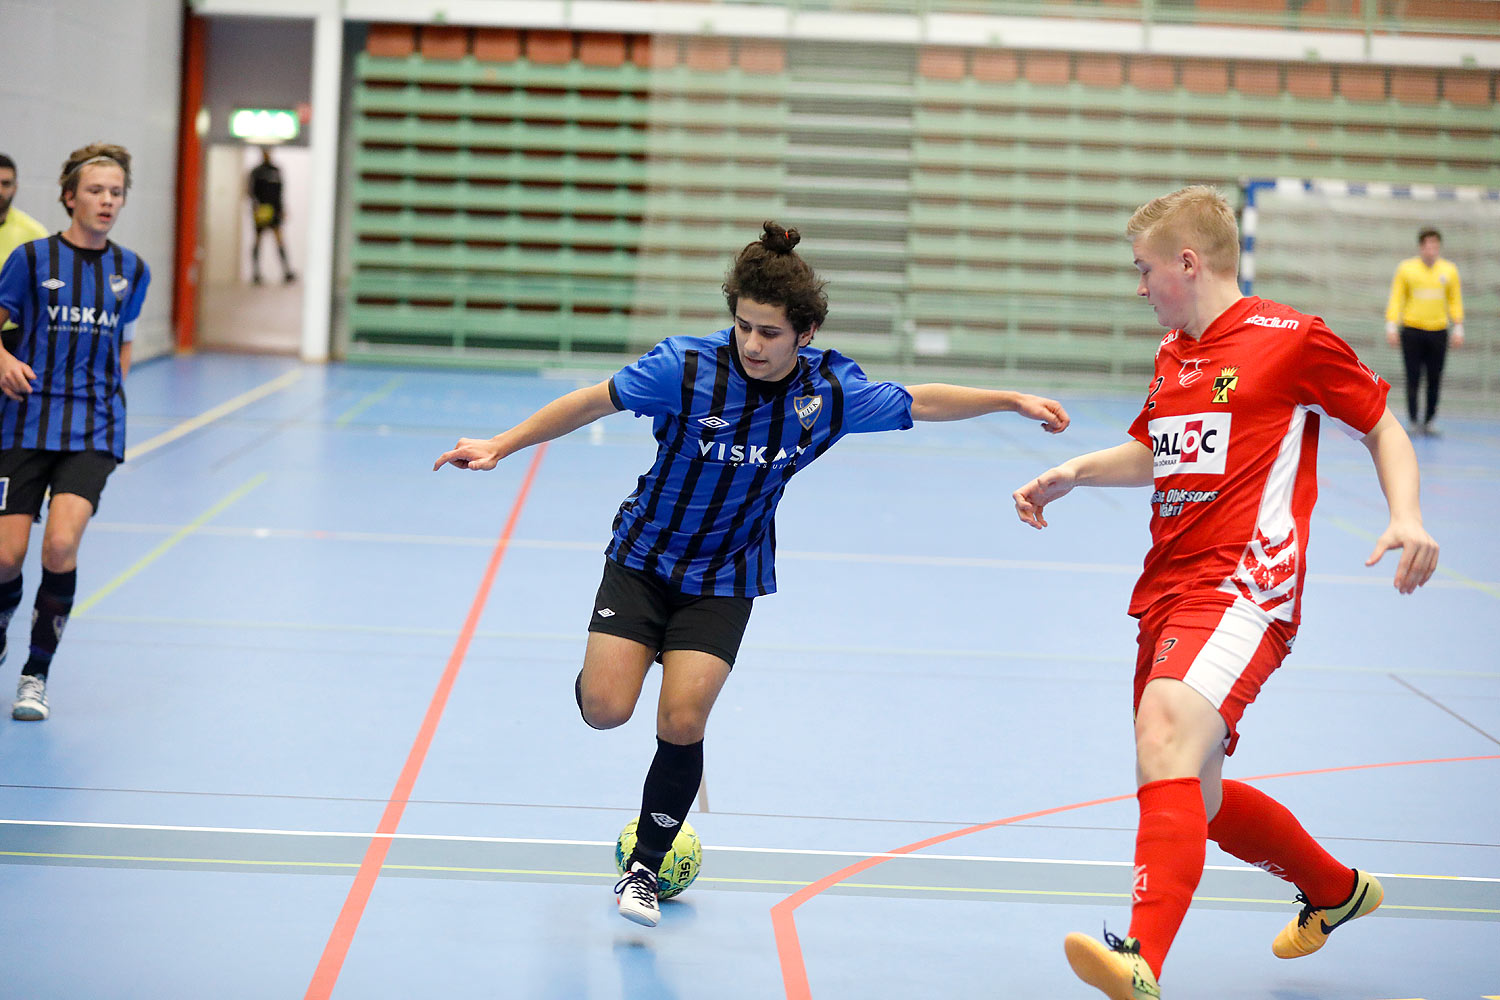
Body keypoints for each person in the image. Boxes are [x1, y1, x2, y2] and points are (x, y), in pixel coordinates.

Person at [436, 221, 1071, 928]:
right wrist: (503, 444)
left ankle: (642, 867)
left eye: (769, 332)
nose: (753, 343)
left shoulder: (827, 392)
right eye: (743, 325)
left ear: (805, 332)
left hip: (729, 574)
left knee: (682, 718)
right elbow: (591, 400)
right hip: (644, 559)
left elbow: (918, 400)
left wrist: (1010, 400)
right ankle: (613, 665)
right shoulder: (682, 369)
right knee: (606, 710)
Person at [1012, 186, 1437, 999]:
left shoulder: (1291, 338)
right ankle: (1336, 890)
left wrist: (1407, 515)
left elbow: (1381, 422)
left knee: (1163, 733)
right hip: (1167, 590)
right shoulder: (1176, 353)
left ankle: (1140, 958)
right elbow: (1154, 452)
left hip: (1245, 584)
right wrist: (1075, 472)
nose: (1139, 287)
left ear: (1188, 261)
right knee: (1191, 796)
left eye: (1144, 270)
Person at [0, 143, 151, 721]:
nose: (107, 201)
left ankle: (35, 673)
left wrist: (112, 390)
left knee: (60, 545)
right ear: (69, 197)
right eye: (95, 190)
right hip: (24, 420)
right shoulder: (31, 260)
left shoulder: (131, 270)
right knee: (7, 557)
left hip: (93, 427)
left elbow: (126, 341)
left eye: (116, 192)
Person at [1385, 227, 1463, 438]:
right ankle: (1412, 420)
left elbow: (1454, 300)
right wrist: (1391, 325)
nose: (1431, 250)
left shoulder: (1449, 270)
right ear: (1421, 247)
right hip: (1412, 329)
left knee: (1434, 377)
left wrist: (1458, 326)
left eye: (1435, 246)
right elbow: (1397, 297)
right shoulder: (1406, 269)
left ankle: (1429, 420)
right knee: (1413, 376)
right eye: (1428, 245)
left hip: (1438, 330)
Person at [0, 154, 50, 349]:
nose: (0, 190)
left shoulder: (34, 233)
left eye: (6, 183)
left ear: (15, 187)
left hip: (13, 335)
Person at [248, 146, 294, 284]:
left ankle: (286, 271)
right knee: (257, 240)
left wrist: (282, 209)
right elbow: (251, 191)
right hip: (261, 210)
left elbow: (281, 192)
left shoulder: (276, 170)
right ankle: (256, 273)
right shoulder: (256, 172)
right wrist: (256, 208)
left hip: (274, 211)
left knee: (279, 240)